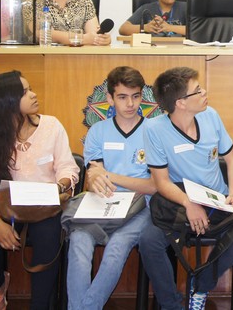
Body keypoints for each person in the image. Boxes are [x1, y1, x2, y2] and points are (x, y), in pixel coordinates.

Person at [66, 66, 182, 310]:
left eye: (136, 96)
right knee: (78, 243)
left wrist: (109, 175)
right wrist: (96, 178)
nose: (130, 104)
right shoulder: (97, 131)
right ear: (109, 98)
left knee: (117, 248)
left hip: (140, 209)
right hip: (100, 206)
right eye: (122, 97)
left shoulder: (155, 131)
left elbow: (154, 186)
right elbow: (93, 175)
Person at [0, 70, 79, 310]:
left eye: (30, 89)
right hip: (5, 206)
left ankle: (40, 305)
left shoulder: (51, 126)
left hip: (45, 206)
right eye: (25, 92)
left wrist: (60, 185)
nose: (34, 95)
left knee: (48, 237)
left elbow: (68, 168)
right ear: (6, 102)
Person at [144, 67, 233, 310]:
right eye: (197, 90)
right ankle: (171, 305)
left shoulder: (210, 115)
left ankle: (200, 286)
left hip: (215, 199)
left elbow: (232, 160)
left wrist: (232, 193)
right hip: (180, 202)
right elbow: (161, 182)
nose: (204, 92)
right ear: (180, 103)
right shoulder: (154, 129)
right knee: (149, 242)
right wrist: (189, 203)